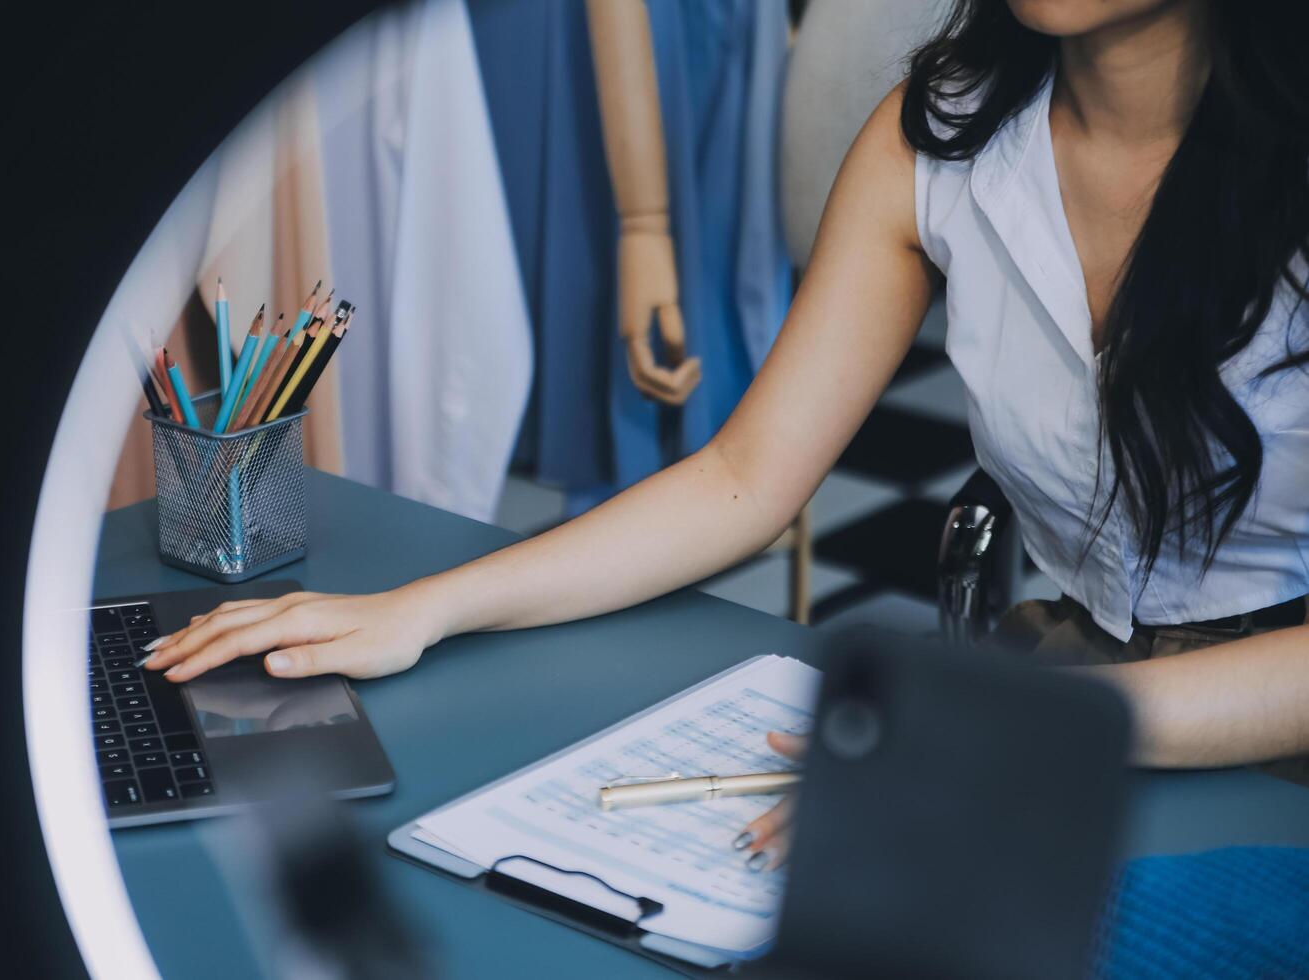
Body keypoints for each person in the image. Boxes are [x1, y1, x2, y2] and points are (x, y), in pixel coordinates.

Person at [143, 0, 1308, 869]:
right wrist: (427, 607)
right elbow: (746, 477)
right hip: (1055, 691)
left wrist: (1021, 731)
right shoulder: (938, 137)